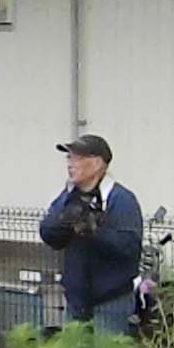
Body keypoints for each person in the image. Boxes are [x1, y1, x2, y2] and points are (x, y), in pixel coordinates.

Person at [39, 135, 147, 331]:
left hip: (110, 302)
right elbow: (48, 234)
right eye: (69, 158)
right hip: (75, 302)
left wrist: (95, 233)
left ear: (97, 164)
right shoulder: (68, 196)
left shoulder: (120, 199)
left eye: (77, 158)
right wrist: (63, 222)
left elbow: (129, 248)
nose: (70, 164)